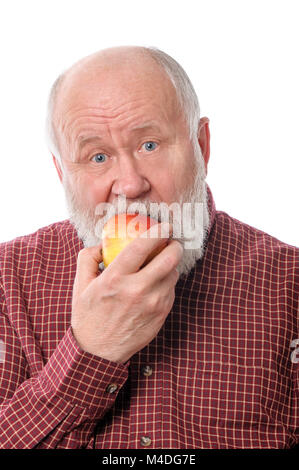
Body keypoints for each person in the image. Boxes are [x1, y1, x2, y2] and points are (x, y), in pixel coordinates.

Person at [0, 46, 298, 449]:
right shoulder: (8, 279)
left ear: (202, 145)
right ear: (62, 173)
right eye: (98, 156)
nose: (130, 185)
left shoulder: (290, 284)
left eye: (150, 145)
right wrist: (91, 351)